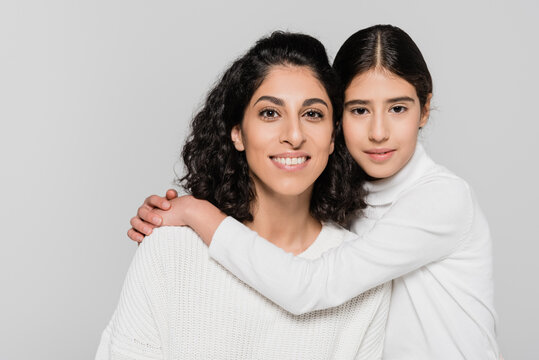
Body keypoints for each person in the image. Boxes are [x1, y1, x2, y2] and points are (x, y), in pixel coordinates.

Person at [130, 25, 500, 359]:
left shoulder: (442, 199)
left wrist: (197, 213)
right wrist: (171, 221)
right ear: (339, 122)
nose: (378, 132)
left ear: (425, 110)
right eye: (359, 110)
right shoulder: (349, 197)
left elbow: (310, 286)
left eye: (398, 108)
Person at [97, 31, 391, 359]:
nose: (294, 136)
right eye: (270, 113)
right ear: (237, 132)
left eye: (312, 114)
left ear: (334, 136)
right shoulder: (171, 249)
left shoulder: (361, 275)